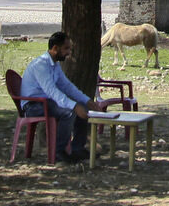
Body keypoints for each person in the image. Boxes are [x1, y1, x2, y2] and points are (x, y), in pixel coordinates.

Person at [18, 31, 106, 162]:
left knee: (82, 110)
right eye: (66, 48)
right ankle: (58, 152)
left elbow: (67, 86)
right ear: (55, 48)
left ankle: (77, 149)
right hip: (33, 105)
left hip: (47, 102)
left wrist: (86, 101)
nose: (69, 52)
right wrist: (74, 106)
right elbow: (51, 91)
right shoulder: (41, 65)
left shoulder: (55, 65)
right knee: (69, 113)